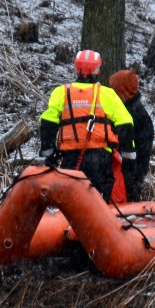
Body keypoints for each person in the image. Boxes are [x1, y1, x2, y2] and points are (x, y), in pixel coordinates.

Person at [39, 50, 136, 202]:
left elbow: (48, 123)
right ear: (97, 70)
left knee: (70, 201)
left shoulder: (61, 92)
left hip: (70, 159)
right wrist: (129, 158)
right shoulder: (107, 94)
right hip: (100, 160)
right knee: (99, 202)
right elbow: (126, 124)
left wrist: (48, 155)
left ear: (76, 68)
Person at [109, 69, 154, 202]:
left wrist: (134, 180)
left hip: (129, 175)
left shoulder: (139, 116)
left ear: (121, 89)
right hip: (118, 172)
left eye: (113, 87)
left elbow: (143, 153)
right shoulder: (122, 109)